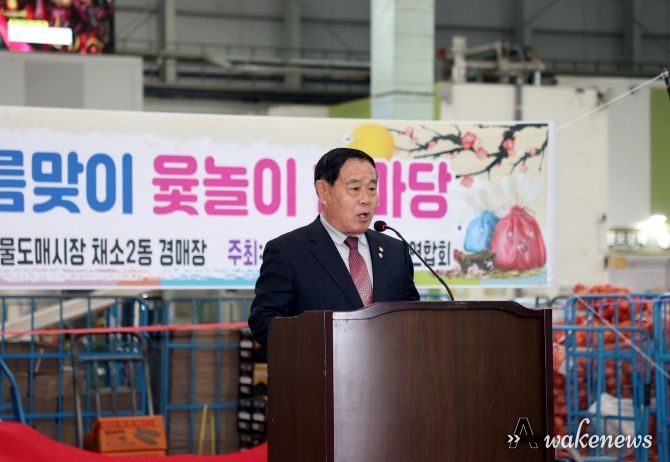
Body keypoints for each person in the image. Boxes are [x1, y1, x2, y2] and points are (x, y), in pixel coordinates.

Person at [248, 147, 420, 353]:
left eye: (372, 188)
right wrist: (322, 342)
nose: (365, 199)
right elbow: (264, 324)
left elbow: (413, 319)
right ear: (323, 192)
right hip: (319, 369)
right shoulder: (288, 252)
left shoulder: (396, 251)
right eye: (355, 188)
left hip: (387, 371)